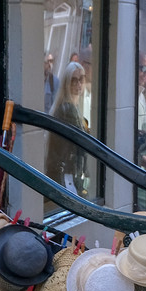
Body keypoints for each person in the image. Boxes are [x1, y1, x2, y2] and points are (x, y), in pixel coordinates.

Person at [45, 61, 90, 195]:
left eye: (81, 79)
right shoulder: (67, 109)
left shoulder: (73, 108)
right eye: (73, 80)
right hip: (65, 174)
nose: (78, 84)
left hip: (69, 172)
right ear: (67, 83)